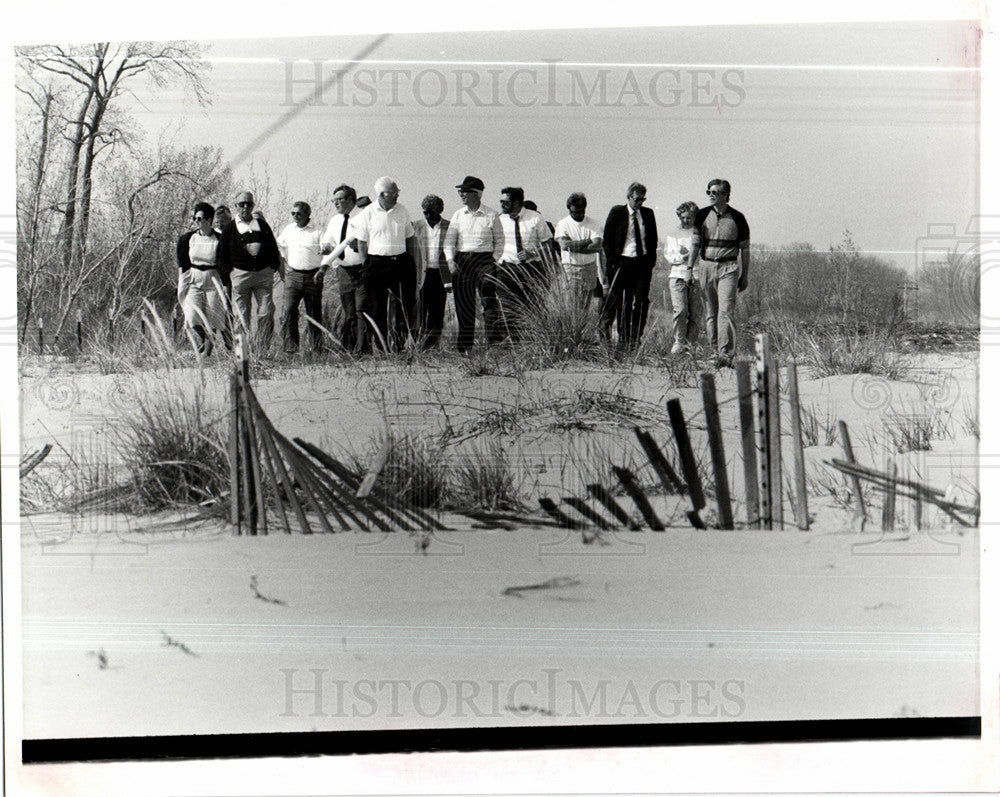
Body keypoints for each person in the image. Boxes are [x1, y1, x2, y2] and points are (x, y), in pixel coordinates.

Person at [687, 179, 750, 367]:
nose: (711, 196)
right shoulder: (702, 215)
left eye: (716, 192)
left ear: (725, 194)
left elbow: (745, 250)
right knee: (710, 313)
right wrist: (690, 269)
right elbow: (695, 244)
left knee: (726, 311)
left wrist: (744, 275)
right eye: (709, 192)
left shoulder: (738, 218)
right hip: (706, 267)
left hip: (729, 268)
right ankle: (714, 352)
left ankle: (726, 355)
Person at [352, 176, 417, 351]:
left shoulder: (402, 210)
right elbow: (362, 242)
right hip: (376, 263)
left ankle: (399, 345)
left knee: (403, 305)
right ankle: (382, 347)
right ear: (381, 194)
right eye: (393, 193)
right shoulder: (368, 213)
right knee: (377, 306)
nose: (397, 196)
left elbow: (410, 238)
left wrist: (413, 262)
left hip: (400, 263)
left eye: (398, 192)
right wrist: (367, 264)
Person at [443, 176, 505, 353]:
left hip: (485, 261)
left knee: (489, 303)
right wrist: (450, 261)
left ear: (476, 194)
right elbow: (449, 242)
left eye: (465, 191)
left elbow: (500, 242)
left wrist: (493, 261)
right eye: (460, 191)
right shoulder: (457, 215)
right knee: (464, 305)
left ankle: (494, 345)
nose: (461, 194)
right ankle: (464, 349)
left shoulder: (491, 215)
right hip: (462, 261)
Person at [218, 191, 282, 352]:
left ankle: (262, 350)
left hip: (263, 276)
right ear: (236, 206)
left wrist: (271, 268)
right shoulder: (230, 229)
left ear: (253, 205)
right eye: (241, 204)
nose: (245, 207)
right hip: (239, 277)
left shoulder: (262, 225)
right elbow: (221, 255)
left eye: (249, 204)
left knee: (266, 312)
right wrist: (229, 275)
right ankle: (242, 354)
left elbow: (273, 248)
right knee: (241, 317)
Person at [602, 181, 659, 347]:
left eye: (643, 199)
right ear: (629, 198)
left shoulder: (647, 214)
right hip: (622, 262)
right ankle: (622, 338)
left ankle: (635, 337)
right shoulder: (617, 212)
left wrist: (650, 262)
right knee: (621, 303)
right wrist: (613, 262)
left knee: (641, 301)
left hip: (641, 264)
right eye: (637, 199)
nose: (640, 203)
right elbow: (607, 240)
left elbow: (652, 239)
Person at [497, 186, 554, 342]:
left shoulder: (535, 218)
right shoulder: (499, 220)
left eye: (505, 201)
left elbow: (547, 245)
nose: (501, 204)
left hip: (530, 269)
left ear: (516, 202)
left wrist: (533, 253)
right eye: (500, 201)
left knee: (532, 307)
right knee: (508, 308)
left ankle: (532, 342)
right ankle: (512, 345)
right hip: (506, 269)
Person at [276, 201, 331, 354]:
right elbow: (279, 244)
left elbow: (326, 249)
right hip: (293, 276)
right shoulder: (289, 229)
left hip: (312, 277)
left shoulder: (318, 230)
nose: (295, 216)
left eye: (299, 213)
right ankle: (291, 349)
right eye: (293, 213)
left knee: (314, 313)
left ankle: (316, 349)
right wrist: (284, 261)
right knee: (289, 311)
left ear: (308, 214)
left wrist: (322, 268)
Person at [175, 202, 226, 354]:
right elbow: (182, 263)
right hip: (193, 278)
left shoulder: (219, 239)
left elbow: (224, 262)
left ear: (209, 220)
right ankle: (203, 338)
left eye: (200, 219)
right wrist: (180, 282)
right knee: (191, 316)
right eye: (195, 219)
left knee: (212, 316)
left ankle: (208, 349)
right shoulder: (188, 239)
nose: (196, 222)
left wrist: (225, 284)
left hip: (212, 279)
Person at [321, 184, 366, 352]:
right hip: (343, 271)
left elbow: (370, 241)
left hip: (362, 270)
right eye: (334, 200)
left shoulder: (363, 217)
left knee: (362, 309)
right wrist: (325, 247)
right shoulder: (334, 220)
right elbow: (328, 241)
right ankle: (351, 349)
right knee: (349, 312)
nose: (336, 203)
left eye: (339, 199)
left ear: (350, 200)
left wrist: (360, 247)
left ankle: (364, 349)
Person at [412, 194, 452, 349]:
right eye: (425, 212)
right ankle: (418, 345)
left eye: (431, 212)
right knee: (420, 311)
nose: (428, 215)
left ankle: (432, 347)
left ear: (439, 211)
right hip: (422, 274)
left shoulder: (450, 226)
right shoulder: (415, 226)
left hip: (441, 275)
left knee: (437, 312)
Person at [665, 200, 703, 355]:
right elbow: (669, 256)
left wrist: (690, 255)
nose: (686, 220)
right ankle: (679, 342)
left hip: (697, 275)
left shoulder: (699, 233)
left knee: (695, 312)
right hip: (677, 275)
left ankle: (690, 344)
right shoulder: (673, 234)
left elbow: (701, 254)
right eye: (683, 217)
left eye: (689, 217)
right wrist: (685, 256)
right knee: (680, 310)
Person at [554, 192, 604, 306]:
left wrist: (573, 246)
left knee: (585, 305)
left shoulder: (594, 223)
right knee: (571, 305)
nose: (577, 215)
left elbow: (597, 246)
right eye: (574, 212)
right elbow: (564, 245)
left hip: (589, 268)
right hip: (570, 268)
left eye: (580, 211)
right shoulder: (563, 224)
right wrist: (587, 241)